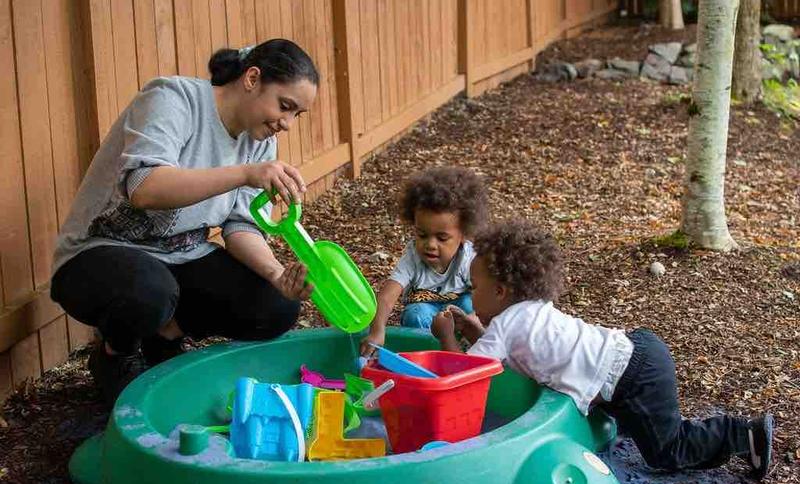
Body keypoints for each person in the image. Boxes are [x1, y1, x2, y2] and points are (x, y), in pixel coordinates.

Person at [50, 39, 319, 403]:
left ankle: (164, 339)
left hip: (180, 255)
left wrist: (276, 275)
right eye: (285, 107)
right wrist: (243, 173)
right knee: (150, 291)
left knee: (277, 305)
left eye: (296, 115)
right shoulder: (173, 99)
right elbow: (144, 188)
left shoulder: (259, 141)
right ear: (252, 78)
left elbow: (240, 227)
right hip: (98, 253)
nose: (286, 124)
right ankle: (116, 355)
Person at [431, 219, 774, 479]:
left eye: (474, 287)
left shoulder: (506, 325)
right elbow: (498, 353)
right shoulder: (527, 310)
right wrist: (476, 330)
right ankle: (720, 449)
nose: (470, 294)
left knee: (665, 452)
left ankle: (744, 432)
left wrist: (446, 336)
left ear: (502, 291)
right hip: (634, 354)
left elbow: (464, 376)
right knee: (653, 431)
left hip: (631, 375)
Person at [360, 167, 487, 356]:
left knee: (471, 306)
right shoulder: (413, 257)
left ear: (463, 235)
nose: (430, 244)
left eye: (442, 238)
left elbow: (485, 295)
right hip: (425, 313)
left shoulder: (468, 258)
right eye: (422, 234)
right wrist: (377, 330)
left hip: (457, 311)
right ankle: (427, 355)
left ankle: (467, 353)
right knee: (415, 314)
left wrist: (474, 319)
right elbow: (387, 297)